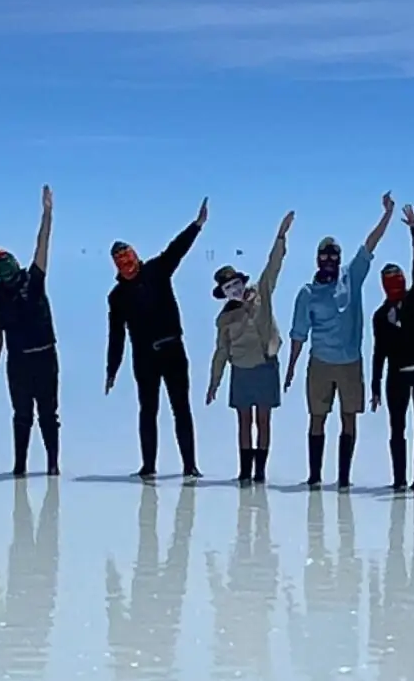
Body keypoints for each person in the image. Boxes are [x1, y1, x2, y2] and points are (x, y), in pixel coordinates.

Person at [286, 195, 396, 489]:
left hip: (350, 363)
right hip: (320, 363)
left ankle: (344, 479)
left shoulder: (352, 276)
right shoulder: (307, 293)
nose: (330, 260)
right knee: (317, 418)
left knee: (349, 418)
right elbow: (298, 334)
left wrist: (387, 214)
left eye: (334, 255)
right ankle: (314, 477)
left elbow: (370, 245)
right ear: (317, 258)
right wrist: (291, 367)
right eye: (325, 255)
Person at [105, 199, 211, 480]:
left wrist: (197, 225)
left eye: (128, 259)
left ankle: (190, 466)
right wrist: (111, 369)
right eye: (121, 263)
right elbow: (115, 336)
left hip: (173, 350)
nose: (127, 266)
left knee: (181, 409)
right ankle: (148, 466)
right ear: (116, 266)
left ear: (135, 256)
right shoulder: (116, 297)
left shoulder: (157, 270)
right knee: (148, 411)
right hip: (144, 358)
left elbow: (177, 250)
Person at [205, 213, 293, 483]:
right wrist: (214, 383)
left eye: (235, 284)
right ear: (223, 292)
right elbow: (221, 352)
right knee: (244, 421)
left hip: (266, 365)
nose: (234, 290)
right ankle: (244, 471)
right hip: (241, 370)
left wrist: (281, 236)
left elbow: (273, 266)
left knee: (263, 420)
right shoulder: (224, 318)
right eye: (228, 288)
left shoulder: (261, 291)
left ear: (242, 282)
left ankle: (260, 472)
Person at [0, 187, 62, 477]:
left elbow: (42, 244)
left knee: (48, 415)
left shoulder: (34, 280)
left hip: (45, 357)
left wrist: (47, 213)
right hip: (18, 362)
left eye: (8, 268)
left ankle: (52, 465)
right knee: (22, 416)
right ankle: (20, 467)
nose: (6, 274)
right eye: (1, 270)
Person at [368, 205, 414, 492]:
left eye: (399, 280)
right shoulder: (380, 316)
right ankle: (399, 479)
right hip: (396, 375)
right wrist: (374, 387)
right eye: (390, 281)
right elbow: (378, 353)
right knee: (397, 428)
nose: (396, 284)